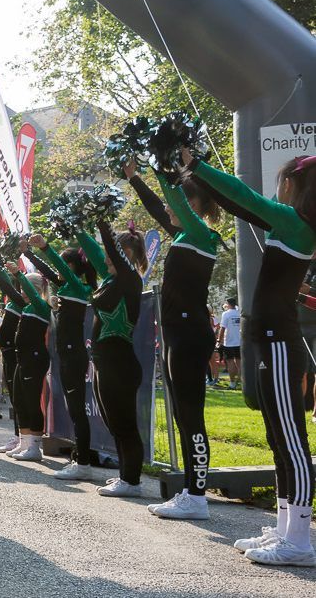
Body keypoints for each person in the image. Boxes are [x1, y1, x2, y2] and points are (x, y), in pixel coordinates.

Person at [183, 150, 316, 567]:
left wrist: (197, 165)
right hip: (272, 341)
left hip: (279, 343)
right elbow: (239, 201)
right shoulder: (295, 227)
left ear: (291, 186)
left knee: (291, 440)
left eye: (279, 184)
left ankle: (299, 538)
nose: (275, 192)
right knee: (279, 437)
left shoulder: (295, 222)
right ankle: (285, 527)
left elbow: (241, 196)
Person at [126, 163, 222, 517]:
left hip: (190, 335)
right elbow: (157, 205)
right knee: (183, 415)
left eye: (176, 203)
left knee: (191, 415)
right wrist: (135, 178)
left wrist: (160, 163)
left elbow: (169, 199)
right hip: (175, 335)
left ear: (191, 204)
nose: (167, 209)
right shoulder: (184, 235)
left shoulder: (201, 234)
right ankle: (191, 492)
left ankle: (197, 497)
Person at [77, 221, 147, 498]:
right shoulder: (111, 280)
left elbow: (110, 251)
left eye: (111, 252)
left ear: (125, 252)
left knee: (124, 423)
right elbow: (96, 252)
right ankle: (125, 477)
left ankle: (132, 481)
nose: (105, 257)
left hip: (120, 362)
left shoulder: (131, 280)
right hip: (104, 361)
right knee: (113, 422)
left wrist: (99, 219)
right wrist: (77, 227)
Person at [27, 234, 98, 479]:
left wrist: (45, 247)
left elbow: (56, 268)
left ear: (73, 267)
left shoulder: (78, 286)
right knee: (74, 410)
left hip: (74, 353)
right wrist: (28, 253)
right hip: (67, 353)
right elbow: (50, 271)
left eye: (65, 266)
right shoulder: (69, 287)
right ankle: (80, 459)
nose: (61, 272)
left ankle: (84, 463)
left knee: (78, 410)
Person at [0, 258, 51, 462]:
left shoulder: (41, 306)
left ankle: (35, 447)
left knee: (31, 401)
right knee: (20, 401)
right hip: (23, 357)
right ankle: (25, 443)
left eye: (24, 288)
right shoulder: (27, 307)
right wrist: (0, 271)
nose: (21, 291)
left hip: (35, 358)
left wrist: (18, 273)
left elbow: (32, 296)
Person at [0, 265, 26, 453]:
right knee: (13, 397)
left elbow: (8, 288)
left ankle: (24, 438)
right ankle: (17, 436)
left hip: (14, 354)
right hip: (6, 354)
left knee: (19, 397)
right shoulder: (13, 303)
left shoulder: (22, 302)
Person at [218, 297, 242, 390]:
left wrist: (218, 340)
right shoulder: (239, 312)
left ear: (228, 304)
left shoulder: (226, 314)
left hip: (229, 342)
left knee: (230, 362)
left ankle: (232, 384)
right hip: (239, 342)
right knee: (239, 362)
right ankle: (240, 382)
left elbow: (222, 328)